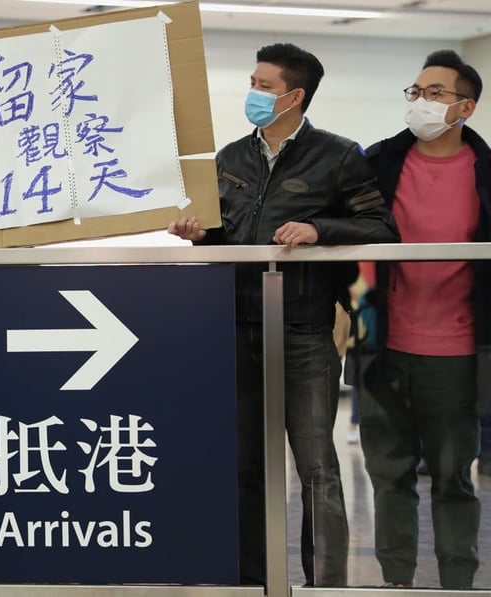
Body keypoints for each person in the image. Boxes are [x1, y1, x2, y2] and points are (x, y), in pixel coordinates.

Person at [168, 43, 399, 586]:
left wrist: (322, 229)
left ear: (295, 97)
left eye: (264, 86)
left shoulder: (339, 156)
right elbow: (226, 238)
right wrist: (200, 236)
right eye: (253, 82)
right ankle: (253, 579)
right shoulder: (229, 158)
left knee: (317, 468)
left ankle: (325, 585)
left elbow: (381, 230)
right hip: (235, 328)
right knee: (244, 465)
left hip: (303, 328)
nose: (253, 93)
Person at [361, 49, 488, 589]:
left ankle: (459, 582)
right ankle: (397, 582)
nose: (421, 101)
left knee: (453, 478)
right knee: (389, 477)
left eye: (435, 93)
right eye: (415, 91)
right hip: (384, 345)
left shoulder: (488, 174)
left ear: (466, 107)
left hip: (458, 351)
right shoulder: (379, 161)